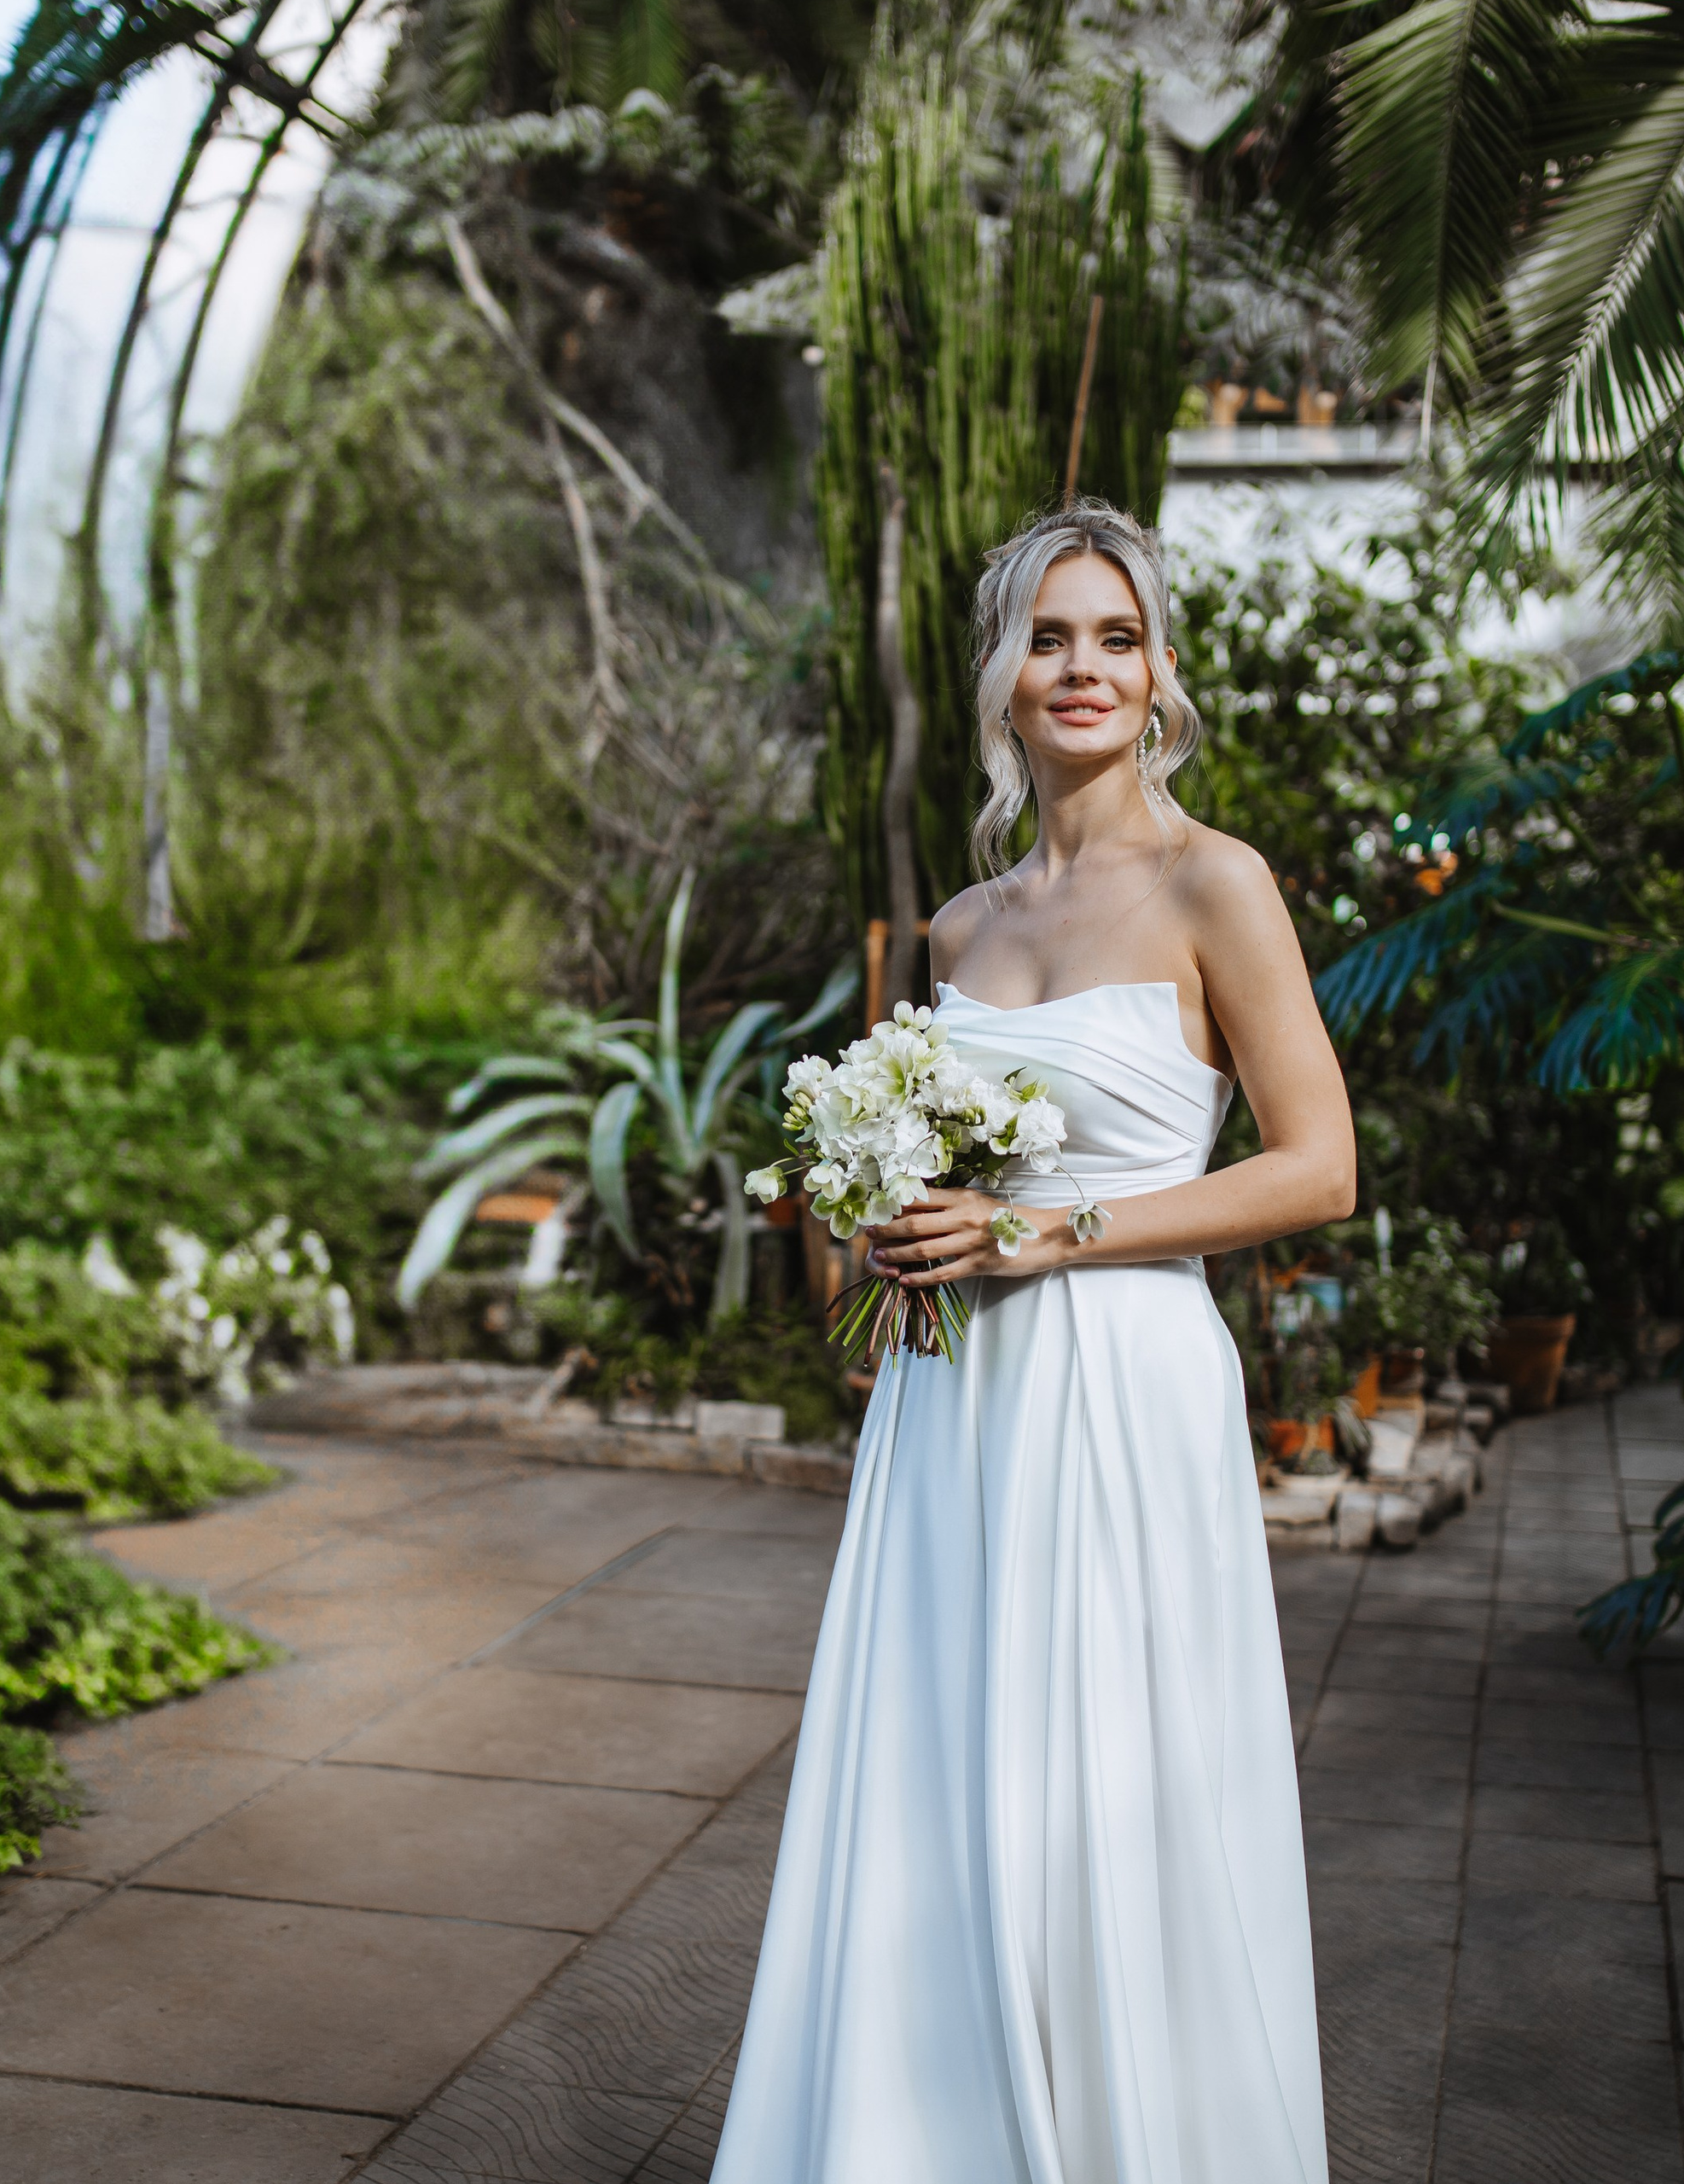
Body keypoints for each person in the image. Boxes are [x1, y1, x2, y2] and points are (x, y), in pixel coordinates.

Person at [709, 500, 1350, 2184]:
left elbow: (1315, 1164)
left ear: (1155, 677)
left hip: (1124, 1388)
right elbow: (949, 1174)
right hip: (957, 1400)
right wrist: (901, 1225)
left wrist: (1047, 1231)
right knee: (943, 1765)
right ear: (1001, 673)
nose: (1082, 667)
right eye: (1049, 635)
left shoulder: (1216, 882)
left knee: (1110, 1782)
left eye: (1115, 636)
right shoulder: (960, 931)